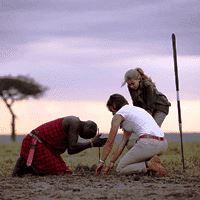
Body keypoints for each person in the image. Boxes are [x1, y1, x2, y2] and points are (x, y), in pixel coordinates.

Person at [95, 94, 168, 176]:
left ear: (114, 106)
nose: (113, 114)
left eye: (112, 111)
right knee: (132, 149)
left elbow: (109, 143)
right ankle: (153, 166)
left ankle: (149, 164)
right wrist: (112, 162)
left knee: (120, 169)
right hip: (163, 144)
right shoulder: (135, 111)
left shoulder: (118, 115)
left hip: (148, 144)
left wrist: (101, 162)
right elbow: (123, 143)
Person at [12, 116, 107, 177]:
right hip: (35, 143)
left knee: (64, 170)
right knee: (61, 171)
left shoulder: (76, 127)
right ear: (88, 126)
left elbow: (70, 151)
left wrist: (91, 144)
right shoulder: (74, 122)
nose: (87, 137)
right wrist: (91, 143)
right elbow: (72, 147)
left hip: (44, 146)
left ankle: (30, 167)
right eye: (89, 135)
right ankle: (27, 167)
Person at [121, 68, 171, 149]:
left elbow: (150, 106)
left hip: (160, 107)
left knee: (151, 131)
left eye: (132, 83)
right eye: (129, 84)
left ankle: (153, 154)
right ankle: (143, 155)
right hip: (147, 108)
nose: (131, 86)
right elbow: (136, 105)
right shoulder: (130, 87)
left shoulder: (148, 85)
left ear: (139, 79)